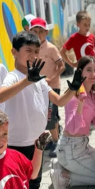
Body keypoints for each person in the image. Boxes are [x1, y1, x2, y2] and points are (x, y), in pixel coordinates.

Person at [0, 31, 85, 189]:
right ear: (14, 52)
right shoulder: (13, 77)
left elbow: (60, 101)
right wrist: (27, 80)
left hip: (37, 144)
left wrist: (74, 88)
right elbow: (0, 97)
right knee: (17, 188)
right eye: (28, 51)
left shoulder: (41, 80)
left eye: (36, 51)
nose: (34, 56)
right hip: (16, 146)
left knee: (34, 182)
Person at [50, 56, 95, 189]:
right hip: (71, 148)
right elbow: (71, 128)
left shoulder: (94, 95)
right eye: (88, 70)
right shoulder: (72, 96)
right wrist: (81, 103)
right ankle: (64, 177)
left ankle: (60, 164)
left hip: (83, 145)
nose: (93, 74)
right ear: (80, 72)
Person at [30, 17, 65, 157]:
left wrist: (52, 78)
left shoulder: (51, 48)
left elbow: (61, 66)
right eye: (34, 31)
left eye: (41, 31)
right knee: (42, 115)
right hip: (37, 88)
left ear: (46, 32)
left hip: (52, 87)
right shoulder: (31, 49)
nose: (38, 34)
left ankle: (57, 142)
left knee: (50, 118)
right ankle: (53, 135)